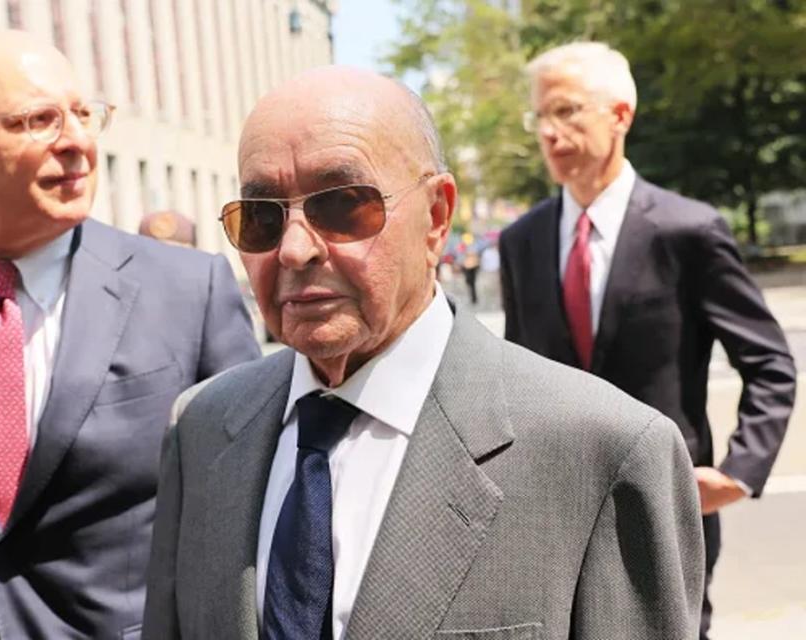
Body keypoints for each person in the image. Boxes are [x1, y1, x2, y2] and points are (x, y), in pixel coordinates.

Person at [142, 66, 704, 639]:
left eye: (342, 206)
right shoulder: (202, 427)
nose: (293, 249)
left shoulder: (603, 449)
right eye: (261, 217)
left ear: (436, 216)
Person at [0, 31, 259, 639]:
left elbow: (244, 498)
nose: (77, 142)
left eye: (85, 114)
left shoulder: (187, 291)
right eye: (37, 120)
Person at [498, 42, 797, 640]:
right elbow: (513, 375)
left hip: (665, 504)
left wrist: (739, 471)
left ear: (620, 115)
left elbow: (769, 363)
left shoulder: (688, 231)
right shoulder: (520, 242)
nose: (550, 133)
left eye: (568, 112)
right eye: (541, 117)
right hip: (553, 512)